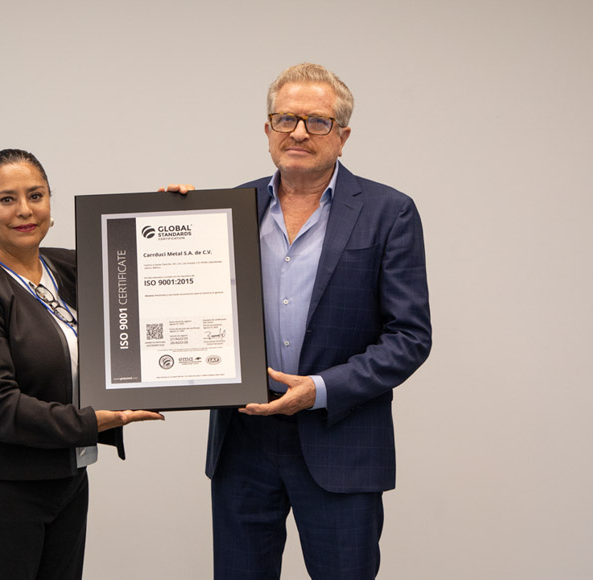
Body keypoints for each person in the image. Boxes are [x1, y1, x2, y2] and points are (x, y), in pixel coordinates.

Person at [170, 63, 432, 579]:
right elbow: (184, 300)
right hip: (244, 436)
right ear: (268, 129)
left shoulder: (389, 212)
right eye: (286, 118)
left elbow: (409, 337)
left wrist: (318, 390)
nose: (298, 133)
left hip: (340, 437)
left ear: (343, 136)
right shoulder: (226, 210)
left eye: (317, 121)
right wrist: (169, 225)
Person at [0, 149, 163, 580]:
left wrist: (180, 212)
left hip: (66, 483)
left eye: (36, 195)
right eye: (7, 199)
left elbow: (156, 274)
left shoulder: (72, 266)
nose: (25, 210)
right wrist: (90, 422)